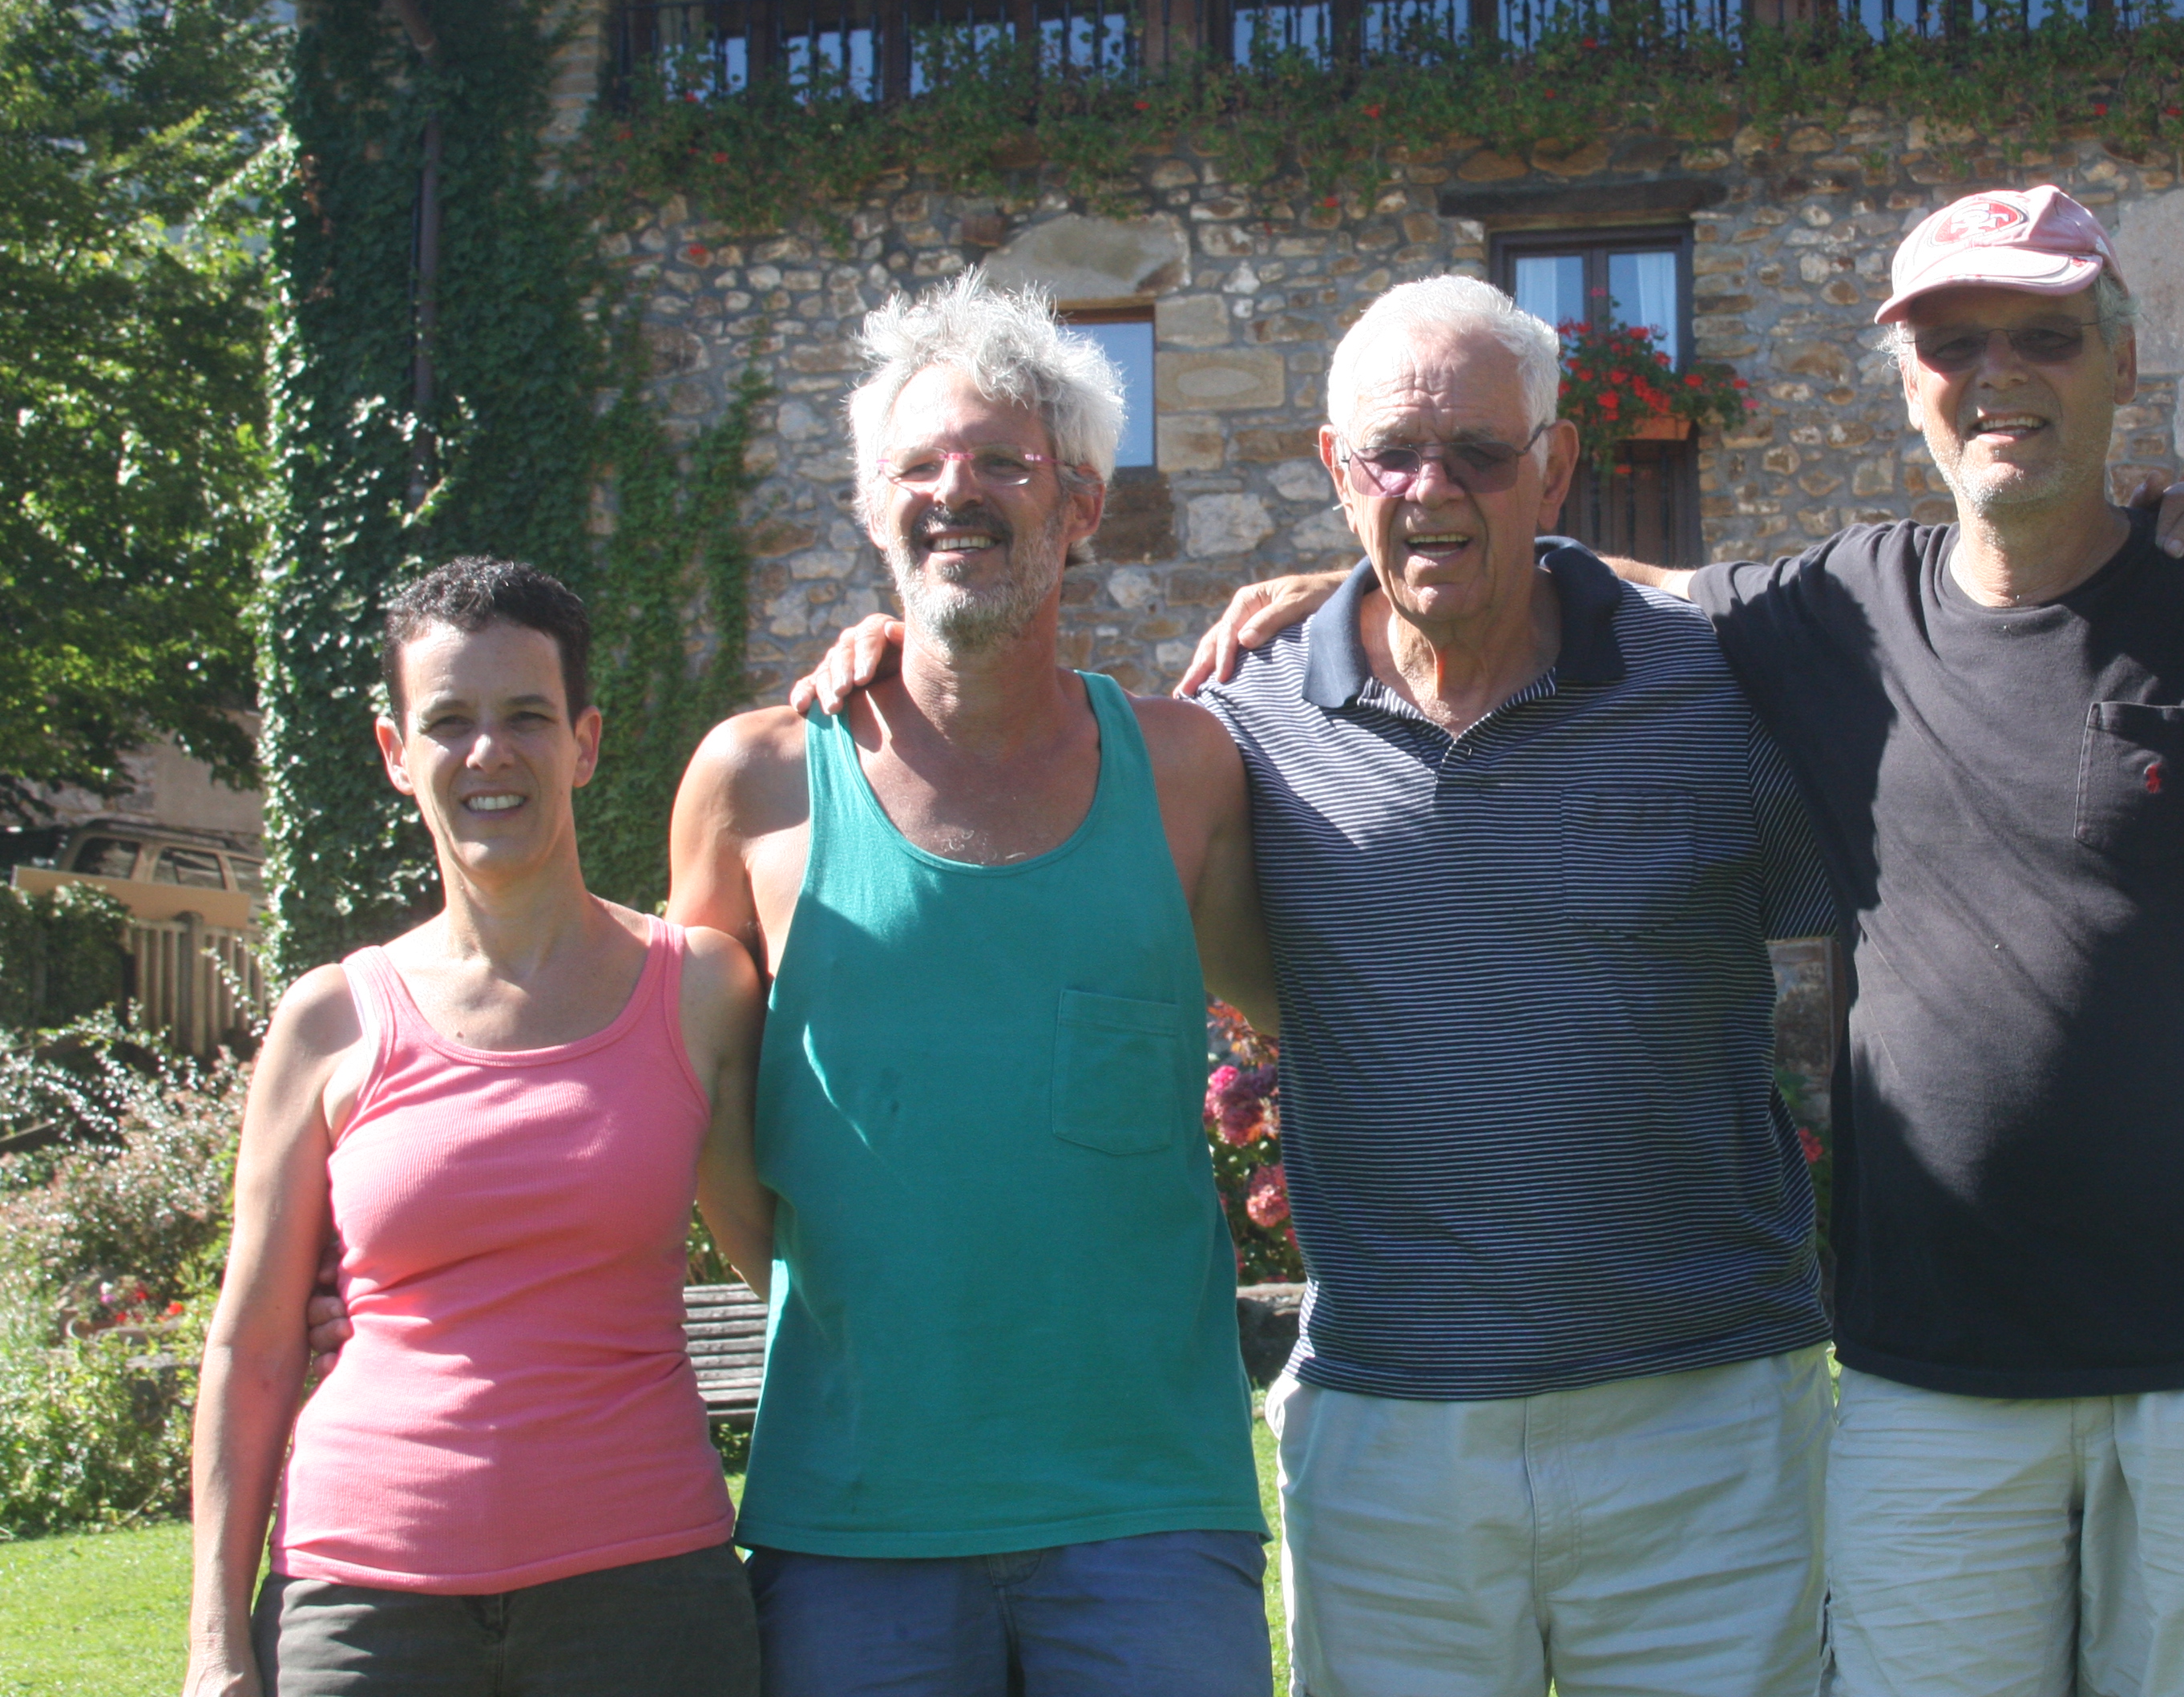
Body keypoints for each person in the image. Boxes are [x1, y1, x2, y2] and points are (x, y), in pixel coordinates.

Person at [1186, 188, 2184, 1697]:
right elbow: (1575, 577)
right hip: (1926, 1378)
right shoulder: (1831, 611)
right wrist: (1373, 565)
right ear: (1907, 383)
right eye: (1955, 344)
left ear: (2122, 364)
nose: (1998, 374)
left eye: (2046, 337)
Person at [799, 277, 1843, 1695]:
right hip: (1394, 1437)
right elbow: (1028, 779)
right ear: (1334, 471)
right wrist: (897, 656)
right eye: (1391, 457)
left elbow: (1904, 875)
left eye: (1481, 454)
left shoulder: (1713, 693)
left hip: (1703, 1421)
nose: (1432, 489)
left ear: (1554, 467)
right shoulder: (1245, 727)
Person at [667, 271, 1275, 1697]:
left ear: (1081, 505)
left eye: (1004, 462)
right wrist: (847, 1306)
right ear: (870, 507)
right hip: (854, 1515)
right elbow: (690, 1109)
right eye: (920, 465)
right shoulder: (756, 782)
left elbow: (1322, 1017)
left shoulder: (1188, 773)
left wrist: (1343, 597)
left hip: (1150, 1509)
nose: (957, 490)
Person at [185, 556, 769, 1697]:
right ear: (396, 753)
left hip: (644, 1597)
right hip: (360, 1605)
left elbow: (787, 1264)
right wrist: (215, 1648)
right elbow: (252, 1349)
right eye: (448, 721)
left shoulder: (700, 989)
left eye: (527, 717)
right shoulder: (329, 1020)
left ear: (585, 744)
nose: (488, 752)